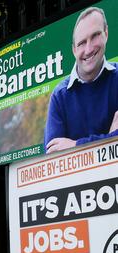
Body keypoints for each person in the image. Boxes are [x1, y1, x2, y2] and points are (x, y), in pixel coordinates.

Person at [44, 6, 118, 153]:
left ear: (106, 34)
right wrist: (110, 139)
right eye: (82, 43)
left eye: (95, 35)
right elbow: (52, 156)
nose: (89, 49)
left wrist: (76, 145)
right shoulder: (60, 96)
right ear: (74, 50)